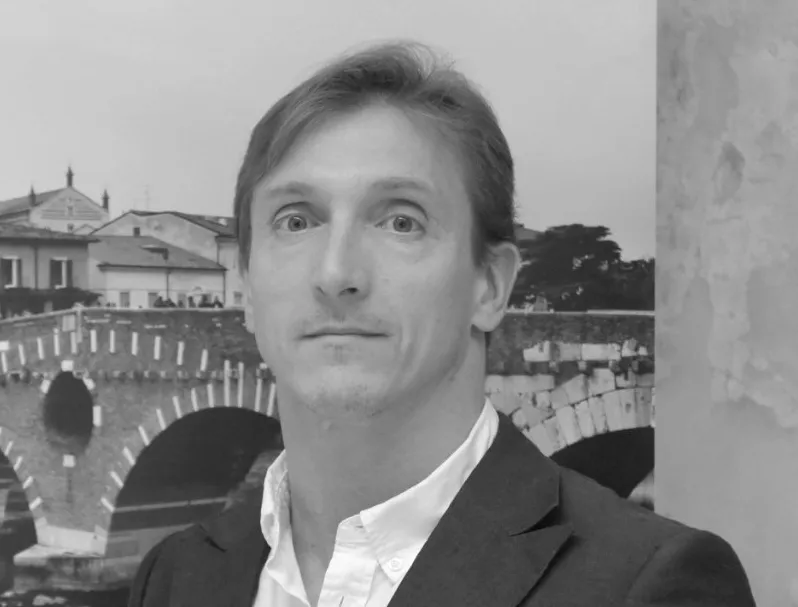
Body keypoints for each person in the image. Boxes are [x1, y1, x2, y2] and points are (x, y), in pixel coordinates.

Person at [127, 41, 755, 607]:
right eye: (296, 220)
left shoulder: (652, 586)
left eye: (401, 221)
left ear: (490, 286)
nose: (336, 272)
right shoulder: (175, 577)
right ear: (247, 285)